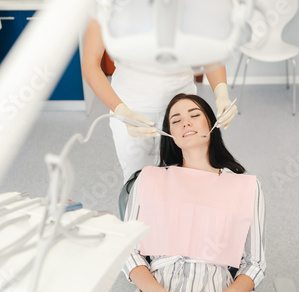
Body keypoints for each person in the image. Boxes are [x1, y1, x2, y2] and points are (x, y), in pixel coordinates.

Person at [120, 93, 265, 292]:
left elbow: (255, 262)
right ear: (171, 135)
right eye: (175, 121)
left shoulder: (245, 187)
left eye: (195, 115)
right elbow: (128, 251)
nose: (185, 122)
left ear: (212, 124)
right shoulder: (149, 179)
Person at [82, 18, 239, 182]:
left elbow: (209, 50)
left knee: (186, 181)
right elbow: (90, 65)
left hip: (181, 109)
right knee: (137, 184)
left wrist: (221, 94)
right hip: (131, 109)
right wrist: (122, 112)